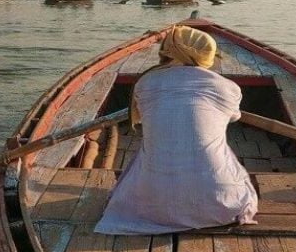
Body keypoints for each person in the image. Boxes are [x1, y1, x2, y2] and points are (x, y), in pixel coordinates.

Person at [95, 25, 258, 235]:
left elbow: (145, 118)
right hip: (221, 205)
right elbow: (234, 116)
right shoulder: (230, 88)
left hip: (152, 206)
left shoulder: (145, 83)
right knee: (224, 156)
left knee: (146, 152)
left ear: (168, 51)